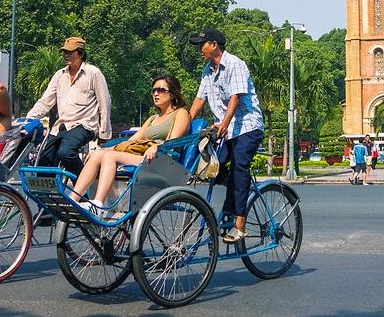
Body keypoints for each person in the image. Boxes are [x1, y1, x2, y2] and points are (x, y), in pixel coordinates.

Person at [69, 74, 191, 217]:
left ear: (172, 93)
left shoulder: (181, 113)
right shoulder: (153, 119)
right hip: (145, 158)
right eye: (153, 90)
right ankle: (73, 200)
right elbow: (130, 142)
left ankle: (99, 204)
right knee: (97, 155)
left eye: (161, 90)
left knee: (109, 157)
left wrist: (157, 147)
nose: (156, 94)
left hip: (163, 161)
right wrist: (103, 149)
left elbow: (172, 142)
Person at [188, 29, 264, 244]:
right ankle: (240, 188)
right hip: (226, 130)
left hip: (247, 126)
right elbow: (198, 100)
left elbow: (235, 98)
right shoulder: (207, 70)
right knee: (212, 168)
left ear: (214, 45)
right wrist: (184, 125)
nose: (200, 50)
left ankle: (239, 222)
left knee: (240, 166)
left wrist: (225, 123)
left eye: (202, 45)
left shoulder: (235, 64)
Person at [26, 37, 111, 175]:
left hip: (84, 125)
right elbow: (45, 101)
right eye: (64, 52)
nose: (66, 55)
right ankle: (47, 195)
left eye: (70, 52)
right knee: (45, 160)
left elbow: (104, 103)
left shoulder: (93, 73)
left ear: (81, 54)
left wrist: (104, 132)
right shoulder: (59, 75)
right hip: (62, 126)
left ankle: (83, 184)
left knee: (66, 153)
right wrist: (28, 120)